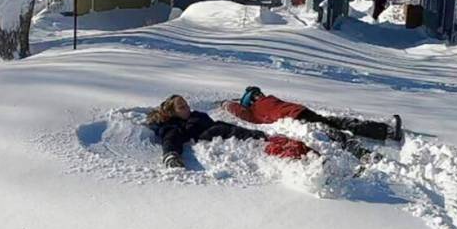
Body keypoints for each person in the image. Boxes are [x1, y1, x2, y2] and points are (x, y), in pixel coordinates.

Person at [222, 87, 402, 159]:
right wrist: (226, 104)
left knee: (339, 124)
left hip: (302, 113)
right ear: (250, 102)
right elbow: (239, 112)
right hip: (299, 118)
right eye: (254, 95)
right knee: (335, 132)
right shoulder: (254, 112)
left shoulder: (264, 102)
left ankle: (386, 131)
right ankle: (367, 153)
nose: (259, 95)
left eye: (257, 92)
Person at [146, 95, 312, 169]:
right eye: (182, 107)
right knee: (222, 129)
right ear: (173, 112)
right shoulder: (173, 125)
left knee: (227, 127)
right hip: (206, 137)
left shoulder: (196, 115)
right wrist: (171, 155)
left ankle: (267, 139)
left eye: (186, 104)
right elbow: (170, 139)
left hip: (218, 130)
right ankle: (267, 145)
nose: (187, 108)